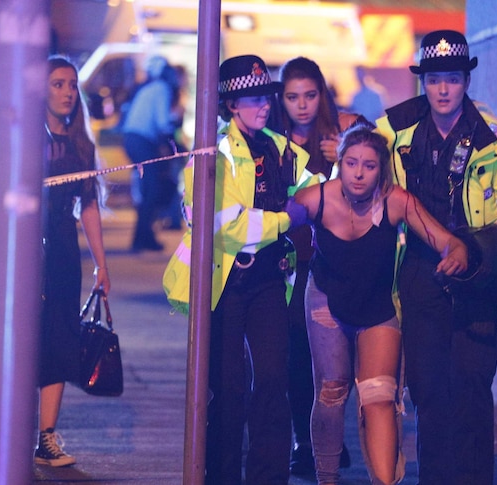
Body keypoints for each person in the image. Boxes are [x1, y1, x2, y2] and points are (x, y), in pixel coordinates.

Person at [375, 30, 497, 484]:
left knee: (470, 390)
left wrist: (476, 250)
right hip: (419, 276)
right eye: (433, 80)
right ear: (422, 82)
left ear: (466, 80)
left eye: (452, 78)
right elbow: (364, 179)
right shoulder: (393, 131)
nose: (443, 89)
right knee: (428, 392)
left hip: (478, 280)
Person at [162, 54, 314, 485]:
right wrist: (287, 219)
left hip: (268, 281)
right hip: (224, 282)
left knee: (271, 383)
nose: (263, 105)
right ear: (230, 105)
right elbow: (226, 225)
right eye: (251, 98)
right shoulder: (211, 154)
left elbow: (317, 189)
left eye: (265, 95)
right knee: (226, 391)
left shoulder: (282, 148)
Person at [293, 126, 468, 485]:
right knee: (332, 390)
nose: (358, 173)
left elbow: (445, 240)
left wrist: (460, 251)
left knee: (379, 396)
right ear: (340, 163)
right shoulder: (315, 198)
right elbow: (273, 226)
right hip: (327, 299)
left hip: (375, 306)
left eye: (369, 166)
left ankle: (386, 482)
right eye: (351, 163)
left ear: (382, 169)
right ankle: (327, 479)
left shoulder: (396, 200)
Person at [276, 56, 369, 476]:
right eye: (293, 96)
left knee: (342, 361)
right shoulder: (272, 138)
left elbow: (377, 167)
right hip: (293, 261)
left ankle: (335, 438)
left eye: (310, 95)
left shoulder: (346, 128)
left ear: (322, 95)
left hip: (345, 260)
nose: (302, 105)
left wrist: (345, 149)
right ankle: (304, 439)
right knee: (299, 354)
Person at [36, 56, 111, 467]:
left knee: (60, 341)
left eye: (71, 84)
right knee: (27, 339)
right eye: (58, 84)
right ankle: (11, 428)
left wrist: (101, 263)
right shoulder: (27, 138)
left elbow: (89, 207)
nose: (67, 92)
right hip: (27, 248)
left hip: (64, 250)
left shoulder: (82, 144)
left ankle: (46, 436)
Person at [122, 55, 182, 252]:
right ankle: (142, 238)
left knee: (148, 189)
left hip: (133, 138)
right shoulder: (162, 89)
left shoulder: (150, 88)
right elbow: (163, 122)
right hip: (142, 140)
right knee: (152, 189)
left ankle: (143, 236)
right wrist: (176, 143)